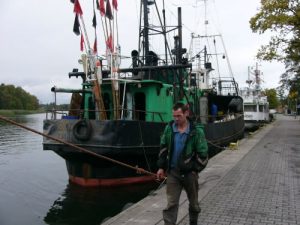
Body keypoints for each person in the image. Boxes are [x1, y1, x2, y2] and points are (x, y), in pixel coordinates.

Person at [156, 102, 208, 225]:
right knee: (171, 204)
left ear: (186, 113)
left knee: (194, 204)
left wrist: (194, 169)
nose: (176, 119)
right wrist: (161, 167)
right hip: (173, 173)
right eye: (174, 116)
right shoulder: (169, 129)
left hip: (190, 174)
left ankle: (193, 222)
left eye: (179, 116)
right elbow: (163, 148)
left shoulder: (196, 132)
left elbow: (203, 155)